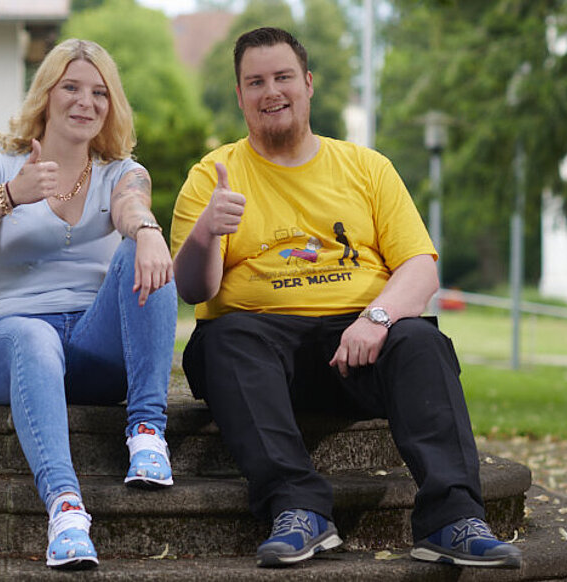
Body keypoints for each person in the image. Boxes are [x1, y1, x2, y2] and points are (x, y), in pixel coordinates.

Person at [169, 27, 522, 569]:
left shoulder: (366, 168)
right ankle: (298, 511)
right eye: (255, 81)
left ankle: (453, 520)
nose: (271, 91)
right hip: (260, 346)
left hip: (362, 343)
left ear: (308, 85)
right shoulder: (212, 177)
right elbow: (195, 290)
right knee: (221, 340)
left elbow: (420, 268)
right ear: (240, 95)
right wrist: (206, 232)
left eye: (283, 77)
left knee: (420, 340)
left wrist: (376, 318)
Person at [0, 38, 176, 571]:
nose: (86, 102)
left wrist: (148, 230)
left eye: (100, 92)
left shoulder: (120, 170)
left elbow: (131, 205)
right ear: (47, 94)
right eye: (72, 88)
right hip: (8, 343)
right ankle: (65, 510)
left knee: (145, 247)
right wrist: (10, 195)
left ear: (111, 104)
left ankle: (147, 430)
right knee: (33, 335)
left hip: (91, 347)